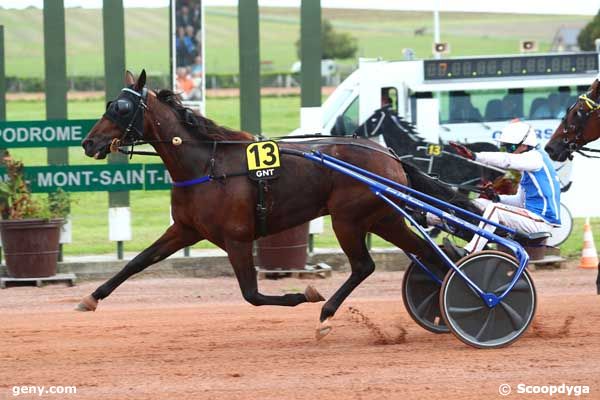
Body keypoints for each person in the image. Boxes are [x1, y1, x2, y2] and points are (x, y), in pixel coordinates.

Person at [446, 120, 561, 258]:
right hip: (532, 218)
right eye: (506, 148)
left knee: (495, 210)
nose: (508, 151)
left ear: (525, 145)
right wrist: (496, 197)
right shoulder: (531, 165)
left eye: (511, 148)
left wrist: (475, 156)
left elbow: (506, 160)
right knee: (479, 203)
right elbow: (520, 200)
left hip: (541, 222)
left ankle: (470, 252)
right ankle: (431, 219)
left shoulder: (535, 158)